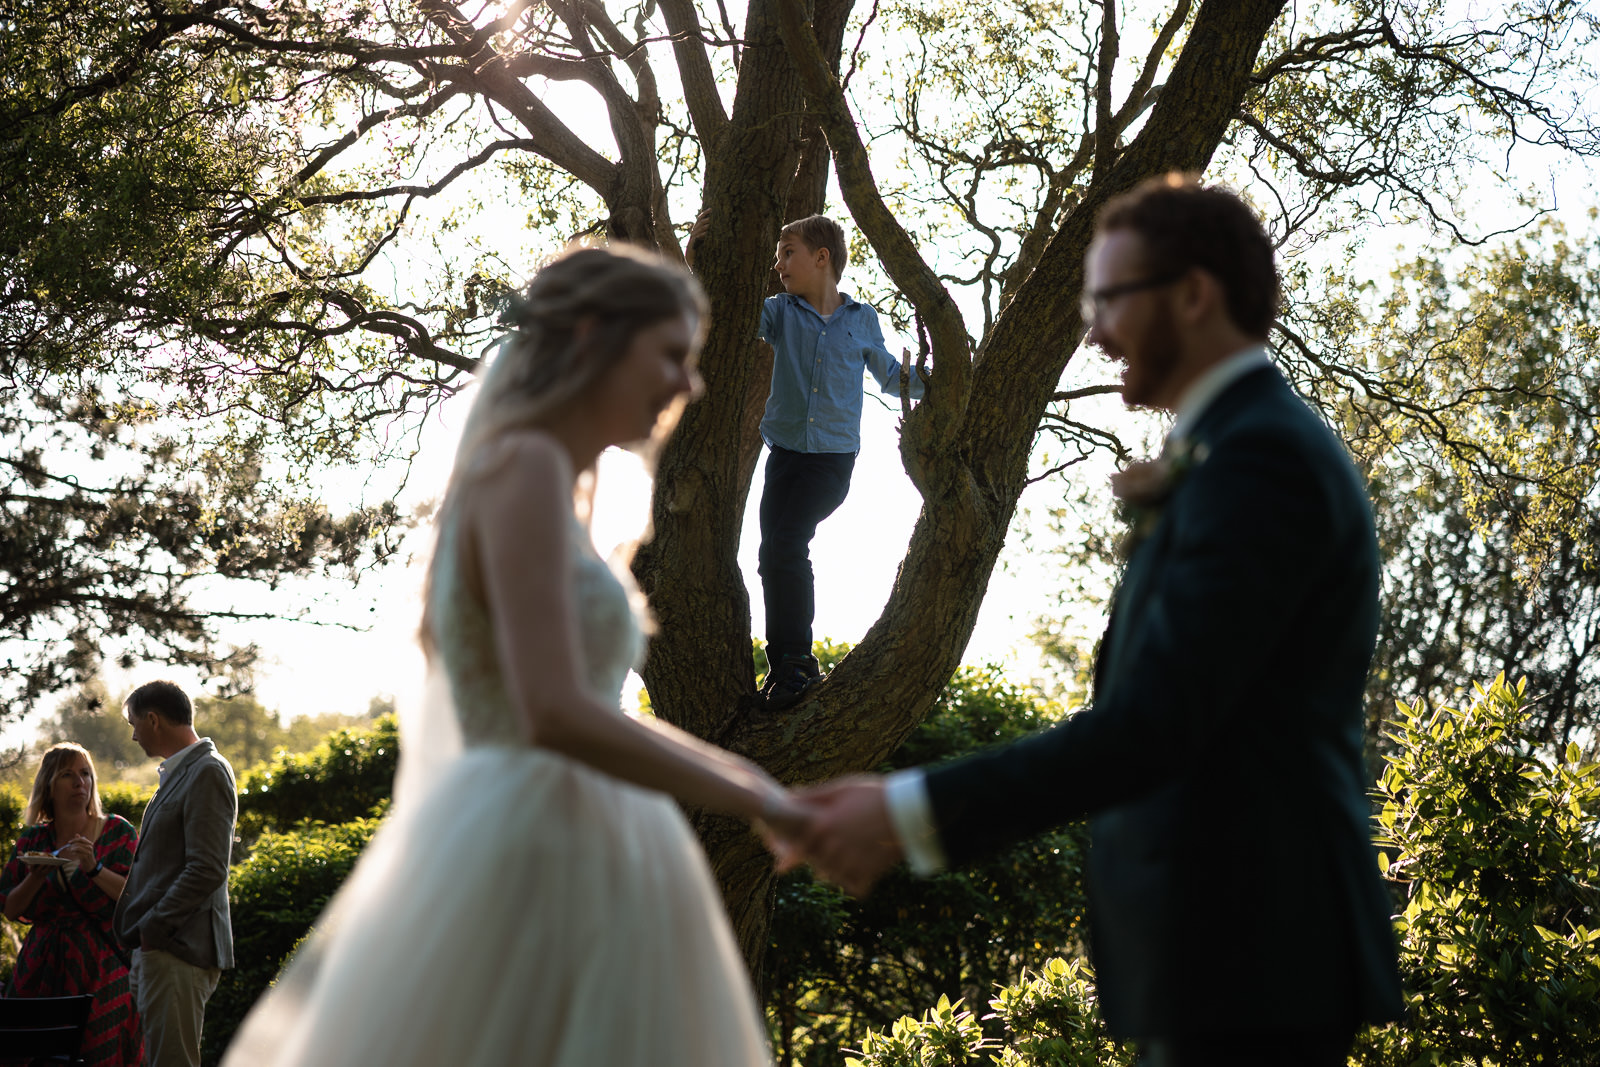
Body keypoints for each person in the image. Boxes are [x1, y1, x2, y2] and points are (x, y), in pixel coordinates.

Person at [786, 176, 1404, 1066]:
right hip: (1223, 951)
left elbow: (1156, 723)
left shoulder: (1259, 459)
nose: (1095, 330)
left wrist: (908, 808)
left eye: (1111, 298)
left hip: (1253, 946)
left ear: (1192, 295)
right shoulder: (1235, 448)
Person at [221, 245, 809, 1067]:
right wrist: (755, 791)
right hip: (531, 846)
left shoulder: (552, 485)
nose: (690, 384)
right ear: (596, 334)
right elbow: (555, 708)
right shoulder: (525, 464)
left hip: (585, 837)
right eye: (672, 354)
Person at [752, 214, 925, 709]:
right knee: (772, 556)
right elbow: (727, 314)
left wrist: (944, 375)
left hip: (831, 463)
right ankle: (786, 662)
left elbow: (892, 378)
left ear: (821, 258)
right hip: (784, 457)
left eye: (788, 252)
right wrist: (703, 260)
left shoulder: (861, 320)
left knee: (786, 543)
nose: (777, 263)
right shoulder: (779, 312)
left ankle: (797, 663)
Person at [113, 681, 237, 1067]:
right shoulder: (179, 772)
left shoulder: (207, 772)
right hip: (161, 949)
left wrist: (155, 929)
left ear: (153, 719)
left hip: (178, 948)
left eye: (134, 723)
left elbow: (207, 868)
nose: (133, 735)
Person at [0, 742, 142, 1066]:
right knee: (24, 1051)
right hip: (40, 963)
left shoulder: (117, 832)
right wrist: (36, 875)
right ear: (49, 784)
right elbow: (9, 908)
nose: (80, 783)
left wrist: (93, 867)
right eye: (68, 775)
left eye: (85, 774)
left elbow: (134, 896)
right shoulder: (33, 840)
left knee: (98, 1053)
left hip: (102, 965)